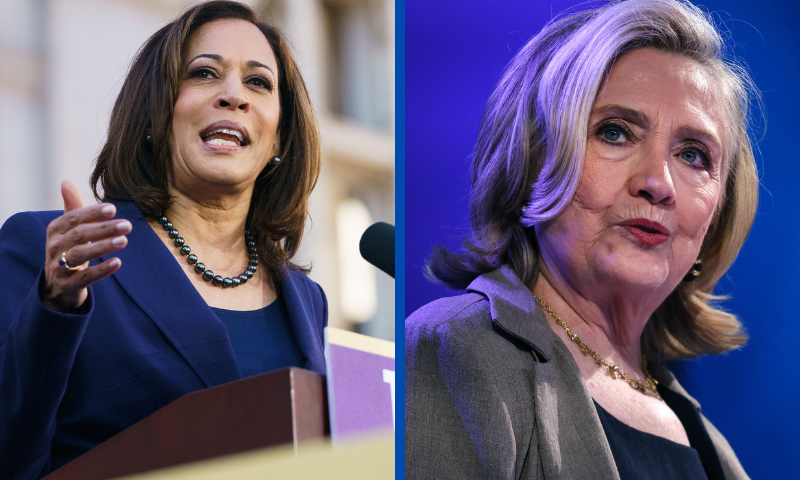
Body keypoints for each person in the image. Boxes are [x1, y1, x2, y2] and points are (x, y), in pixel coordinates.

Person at [405, 0, 758, 479]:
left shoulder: (710, 447)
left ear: (719, 209)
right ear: (533, 163)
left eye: (694, 155)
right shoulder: (455, 351)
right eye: (615, 133)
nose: (659, 182)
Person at [0, 2, 326, 478]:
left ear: (279, 138)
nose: (235, 95)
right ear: (155, 112)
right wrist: (55, 306)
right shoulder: (53, 253)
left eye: (258, 82)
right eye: (204, 73)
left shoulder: (307, 301)